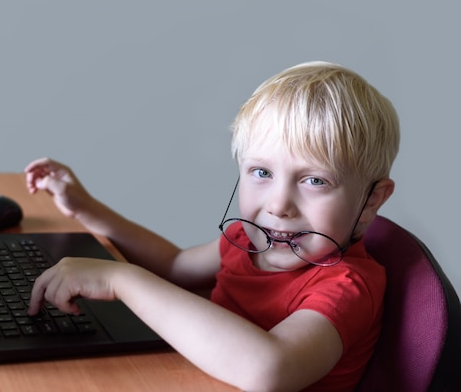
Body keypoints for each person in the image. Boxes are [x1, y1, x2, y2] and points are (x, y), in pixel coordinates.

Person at [24, 61, 399, 392]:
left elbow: (270, 370)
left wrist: (120, 280)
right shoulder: (245, 241)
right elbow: (173, 265)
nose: (278, 205)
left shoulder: (346, 286)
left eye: (315, 181)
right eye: (262, 172)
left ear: (371, 201)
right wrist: (87, 208)